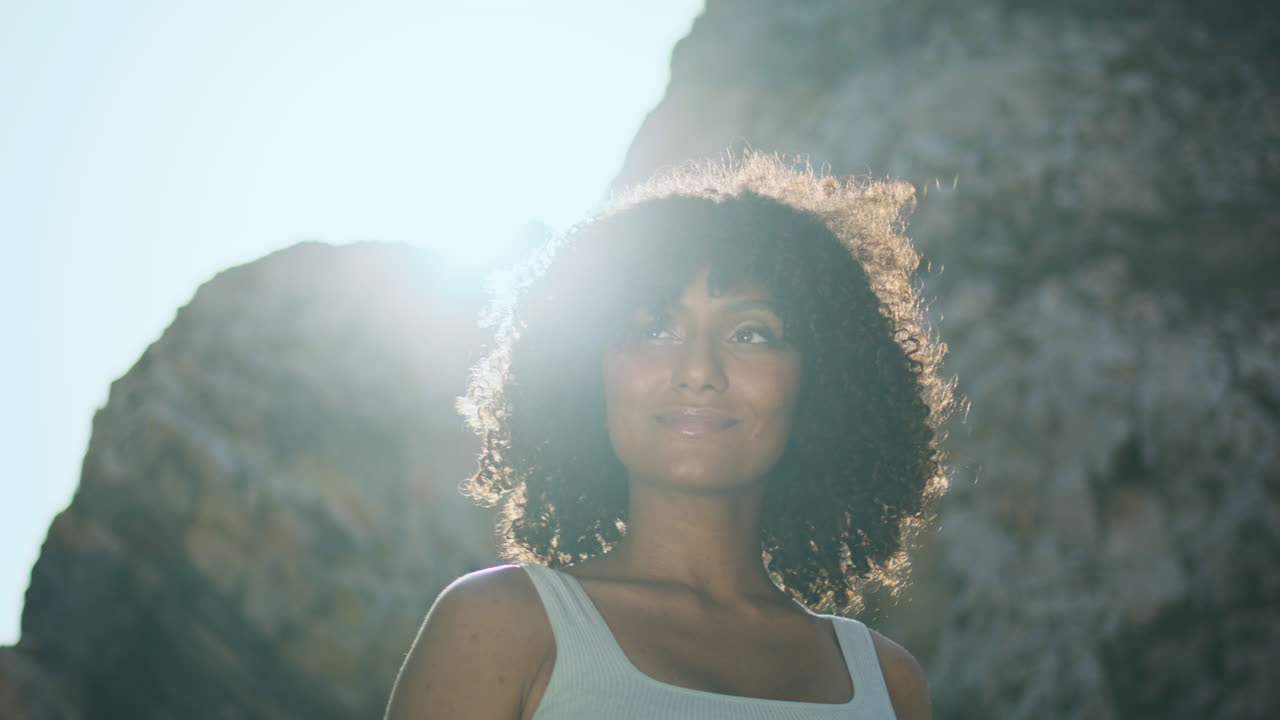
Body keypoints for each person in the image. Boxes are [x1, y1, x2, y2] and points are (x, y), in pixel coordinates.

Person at [385, 154, 954, 719]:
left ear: (823, 378)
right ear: (587, 372)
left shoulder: (887, 681)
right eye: (654, 328)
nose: (698, 370)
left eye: (751, 333)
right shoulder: (501, 624)